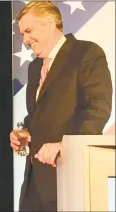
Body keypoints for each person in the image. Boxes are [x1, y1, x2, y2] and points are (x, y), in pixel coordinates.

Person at [10, 1, 112, 211]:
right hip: (34, 183)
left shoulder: (86, 53)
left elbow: (97, 109)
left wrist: (64, 145)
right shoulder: (35, 66)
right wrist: (24, 132)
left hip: (68, 175)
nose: (25, 40)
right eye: (22, 34)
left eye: (29, 31)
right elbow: (37, 115)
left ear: (49, 23)